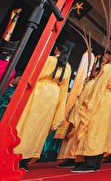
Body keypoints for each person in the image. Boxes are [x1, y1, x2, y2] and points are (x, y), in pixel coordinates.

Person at [15, 39, 74, 171]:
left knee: (26, 123)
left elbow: (34, 76)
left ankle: (17, 155)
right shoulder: (68, 67)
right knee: (40, 128)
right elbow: (64, 90)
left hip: (39, 91)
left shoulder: (49, 60)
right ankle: (27, 159)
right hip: (54, 95)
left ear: (56, 50)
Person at [72, 45, 111, 172]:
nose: (105, 56)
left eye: (107, 54)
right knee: (102, 131)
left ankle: (90, 162)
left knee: (94, 130)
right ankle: (95, 162)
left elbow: (98, 87)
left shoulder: (107, 68)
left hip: (102, 100)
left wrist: (89, 103)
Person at [57, 67, 101, 168]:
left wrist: (76, 111)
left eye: (94, 71)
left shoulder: (92, 84)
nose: (92, 73)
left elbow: (82, 99)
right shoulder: (92, 83)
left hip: (81, 111)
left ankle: (72, 157)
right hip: (84, 111)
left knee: (76, 135)